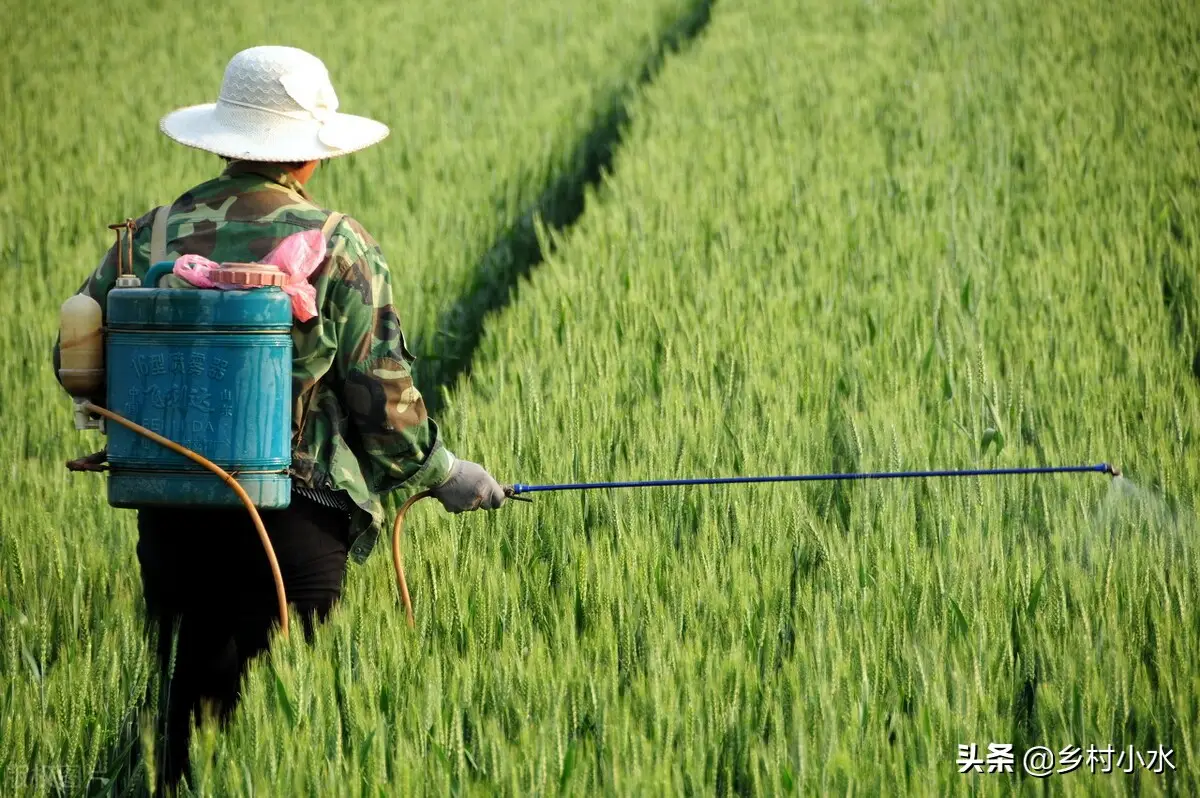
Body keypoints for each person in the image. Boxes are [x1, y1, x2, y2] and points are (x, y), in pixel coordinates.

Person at [51, 45, 507, 793]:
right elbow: (379, 394)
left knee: (187, 723)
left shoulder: (151, 236)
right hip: (293, 522)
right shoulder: (338, 244)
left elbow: (78, 358)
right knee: (285, 741)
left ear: (225, 141)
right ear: (308, 158)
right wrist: (444, 474)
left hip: (172, 514)